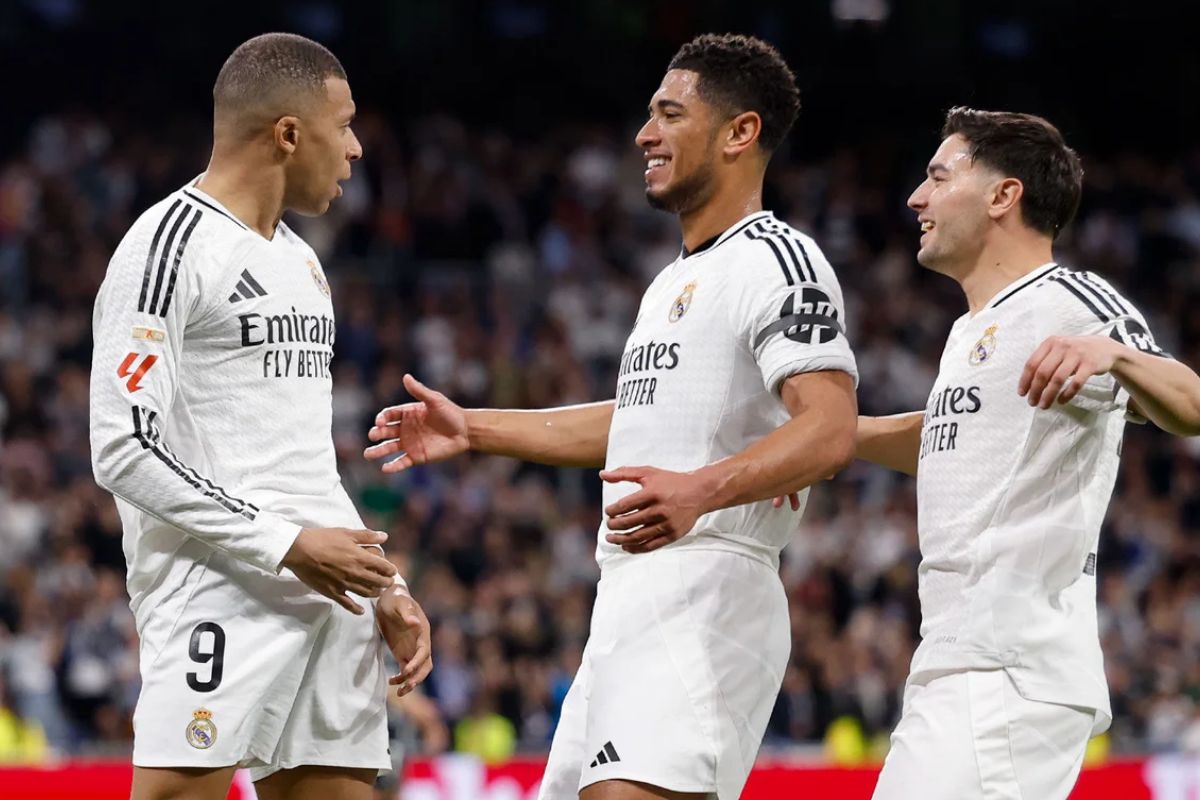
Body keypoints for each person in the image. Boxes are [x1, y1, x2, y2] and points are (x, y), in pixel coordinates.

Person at [365, 33, 859, 800]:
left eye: (669, 114)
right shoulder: (672, 282)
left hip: (709, 585)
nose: (644, 134)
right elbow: (633, 420)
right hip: (627, 596)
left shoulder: (777, 260)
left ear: (741, 133)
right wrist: (476, 429)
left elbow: (830, 427)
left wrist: (703, 488)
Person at [89, 33, 432, 800]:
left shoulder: (303, 264)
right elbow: (123, 446)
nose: (355, 149)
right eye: (342, 125)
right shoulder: (167, 246)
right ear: (287, 133)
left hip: (328, 590)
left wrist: (387, 587)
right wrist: (285, 543)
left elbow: (302, 463)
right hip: (217, 586)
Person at [855, 108, 1200, 799]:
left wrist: (1115, 354)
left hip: (1009, 671)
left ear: (1002, 195)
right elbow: (950, 444)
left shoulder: (1069, 300)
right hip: (962, 667)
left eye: (937, 176)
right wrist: (827, 441)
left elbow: (1191, 403)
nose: (916, 198)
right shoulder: (969, 332)